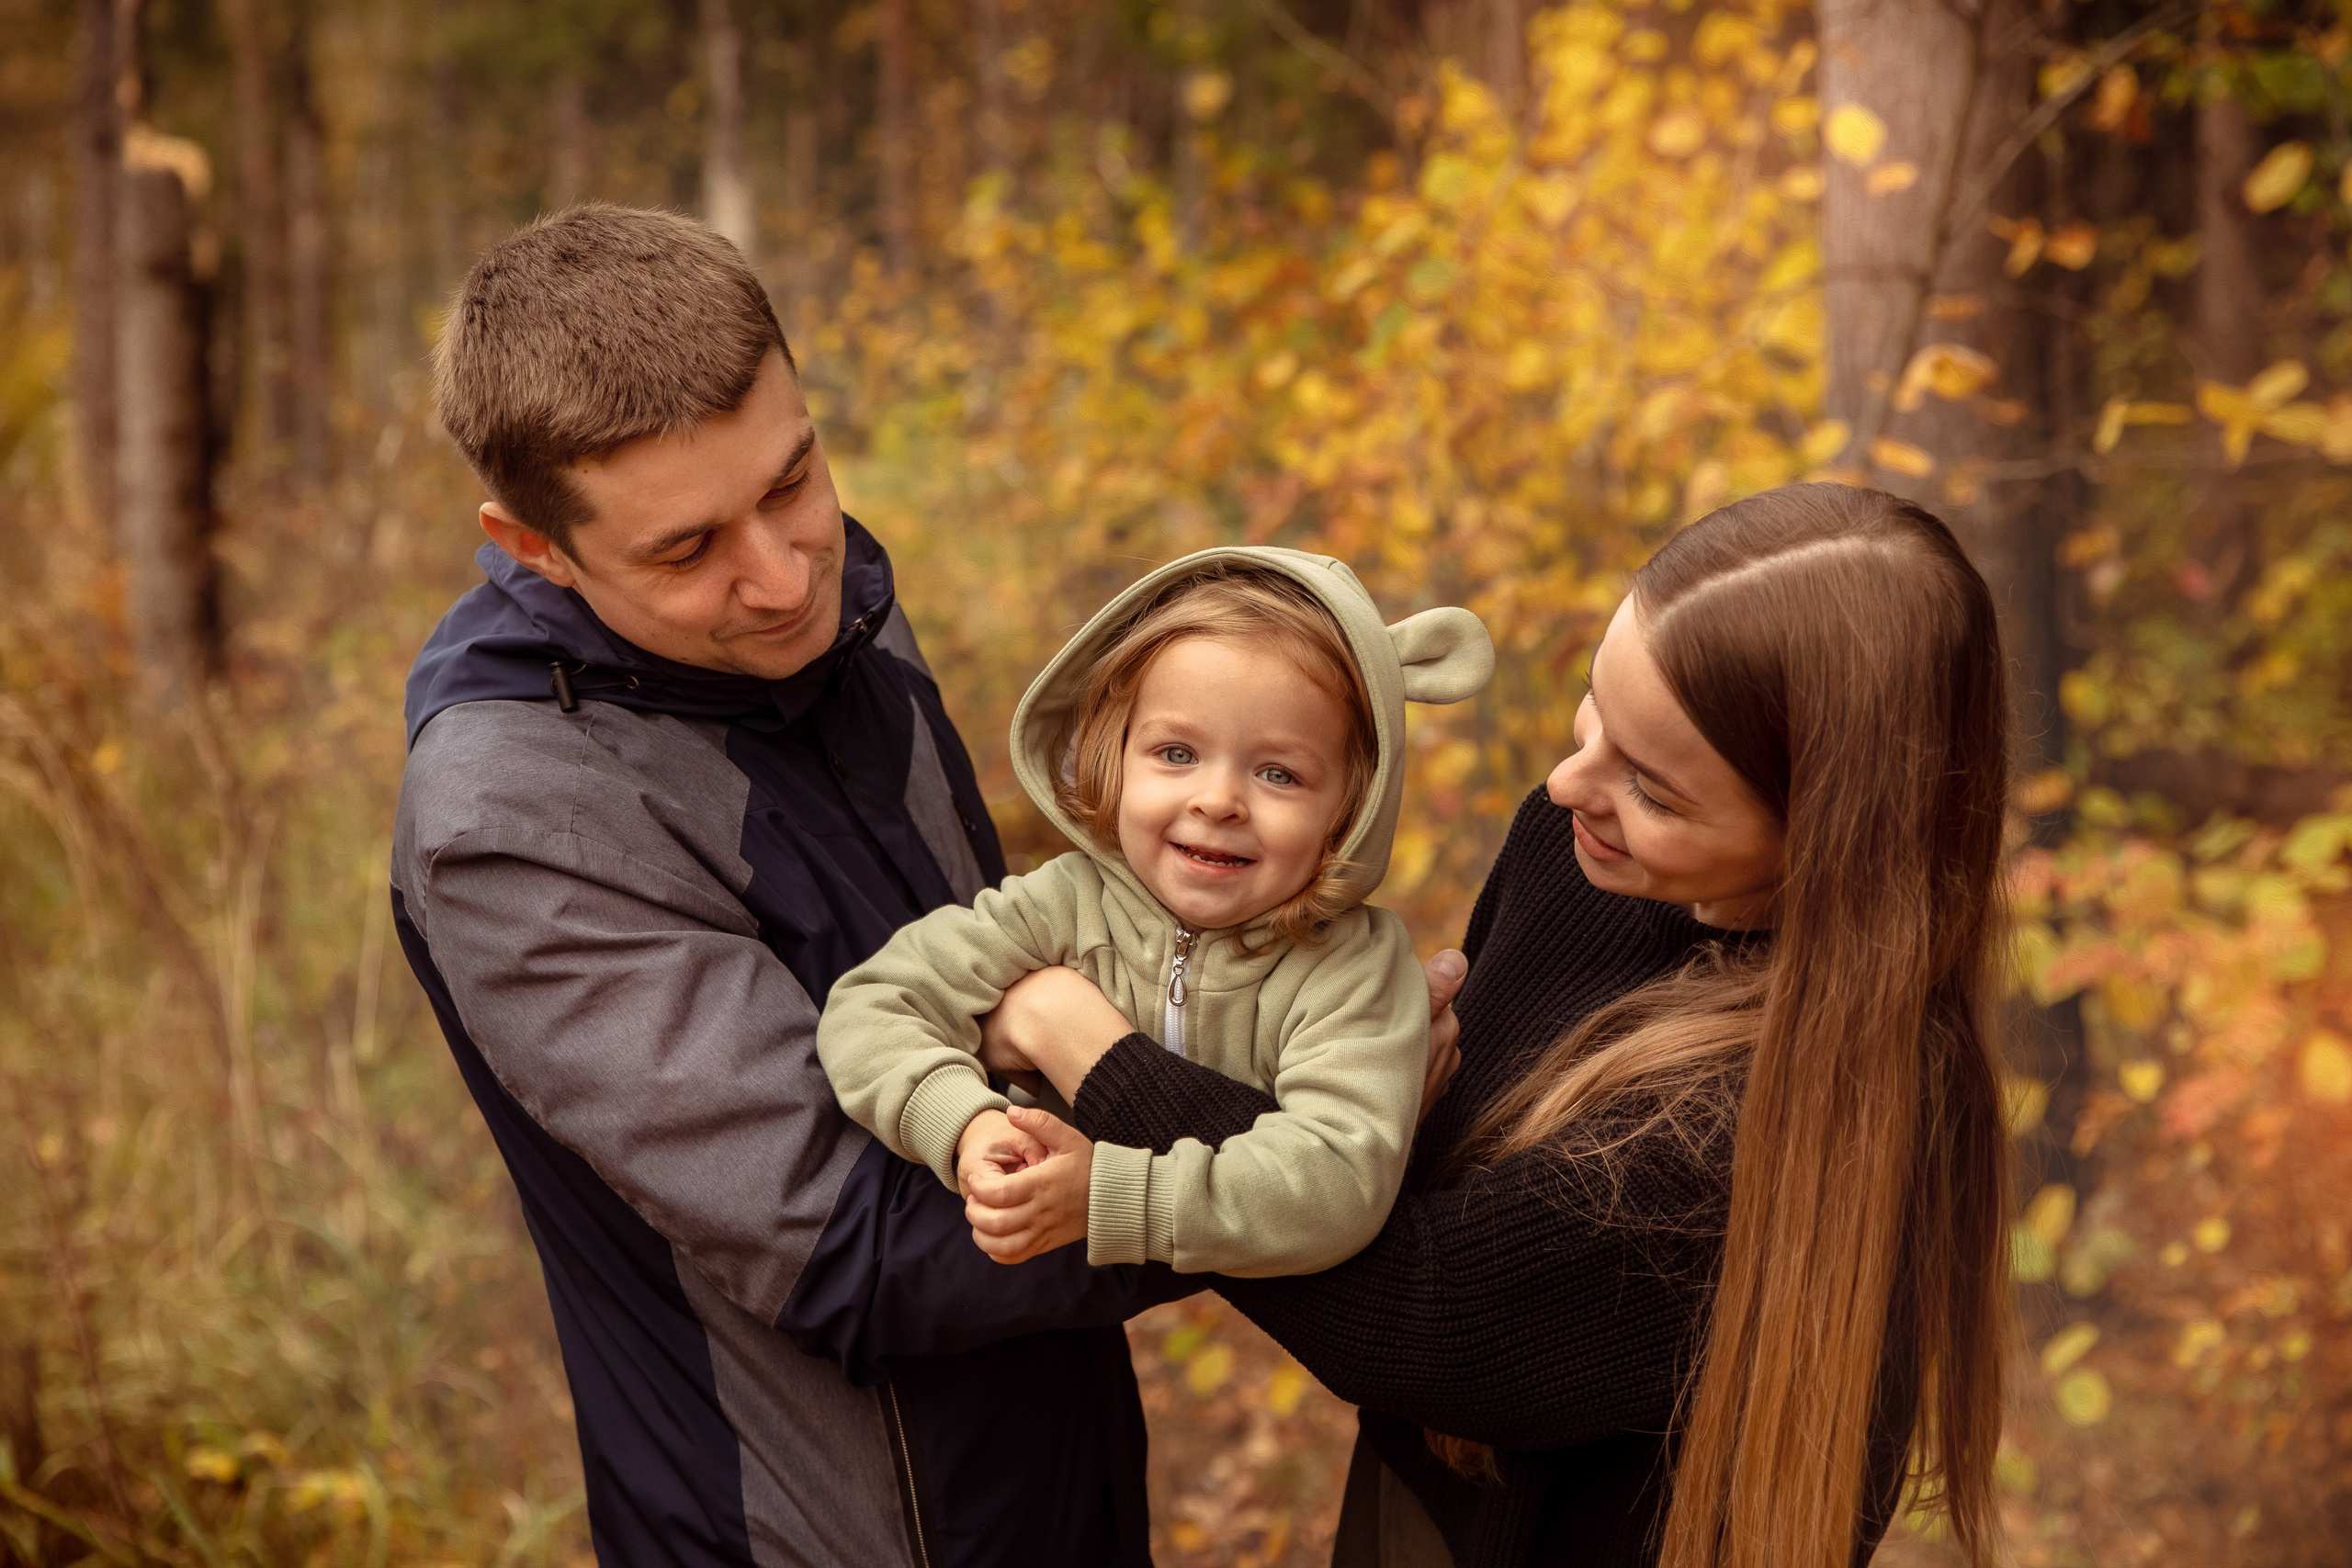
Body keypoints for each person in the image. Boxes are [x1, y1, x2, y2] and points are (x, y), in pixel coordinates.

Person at [967, 484, 2015, 1568]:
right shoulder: (1583, 853)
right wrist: (1374, 1111)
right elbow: (1436, 1172)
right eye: (1594, 711)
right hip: (1426, 1510)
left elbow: (1425, 1317)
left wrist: (1078, 1038)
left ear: (1829, 839)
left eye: (1652, 787)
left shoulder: (1766, 1117)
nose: (1569, 782)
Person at [390, 204, 1192, 1568]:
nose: (777, 573)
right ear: (535, 546)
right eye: (686, 548)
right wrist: (1309, 1149)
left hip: (1054, 1475)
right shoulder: (513, 816)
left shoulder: (834, 603)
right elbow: (868, 1243)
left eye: (793, 478)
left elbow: (994, 993)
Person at [820, 552, 1492, 1275]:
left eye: (1278, 773)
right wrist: (965, 1121)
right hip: (1006, 1296)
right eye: (1176, 753)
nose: (1218, 800)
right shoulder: (1066, 903)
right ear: (1114, 759)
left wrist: (1113, 1197)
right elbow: (874, 1004)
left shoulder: (1351, 968)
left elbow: (1334, 1182)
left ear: (1350, 809)